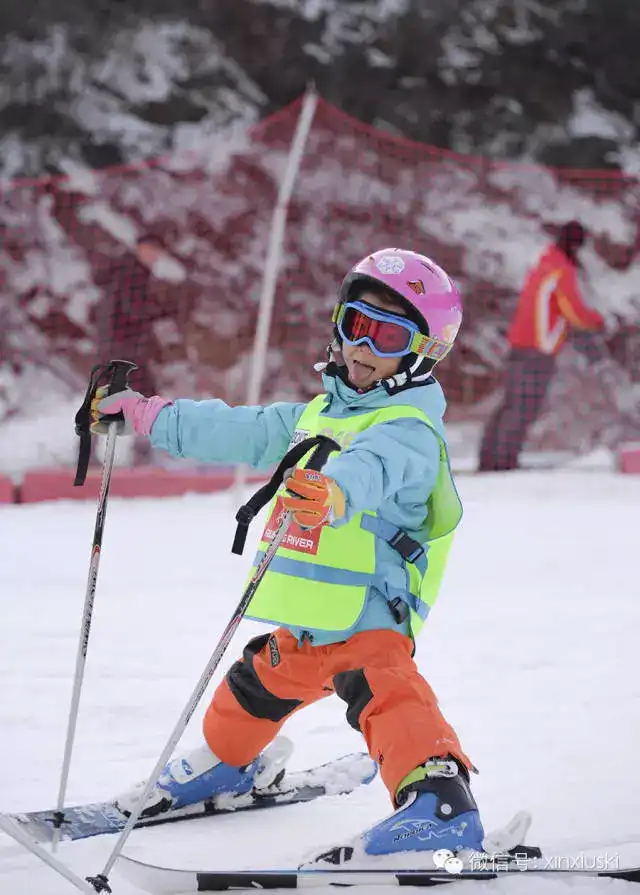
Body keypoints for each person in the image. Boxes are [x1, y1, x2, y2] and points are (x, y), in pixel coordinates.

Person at [91, 248, 486, 864]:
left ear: (424, 350)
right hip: (306, 622)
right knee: (251, 690)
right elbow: (235, 429)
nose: (362, 347)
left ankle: (440, 804)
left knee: (388, 698)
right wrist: (143, 413)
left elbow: (371, 468)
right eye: (355, 324)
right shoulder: (315, 414)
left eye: (387, 336)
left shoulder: (410, 428)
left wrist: (332, 492)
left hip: (367, 620)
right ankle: (227, 766)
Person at [478, 221, 605, 472]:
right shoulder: (561, 270)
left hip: (521, 345)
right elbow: (574, 311)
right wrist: (597, 322)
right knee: (524, 405)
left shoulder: (544, 264)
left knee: (511, 404)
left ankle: (489, 460)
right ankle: (504, 464)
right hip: (537, 349)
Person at [94, 233, 168, 465]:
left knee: (105, 395)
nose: (155, 256)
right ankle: (143, 452)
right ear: (140, 249)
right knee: (147, 396)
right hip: (125, 346)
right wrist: (159, 309)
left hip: (113, 345)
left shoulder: (124, 271)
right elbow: (134, 309)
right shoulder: (132, 273)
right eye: (151, 250)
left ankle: (86, 451)